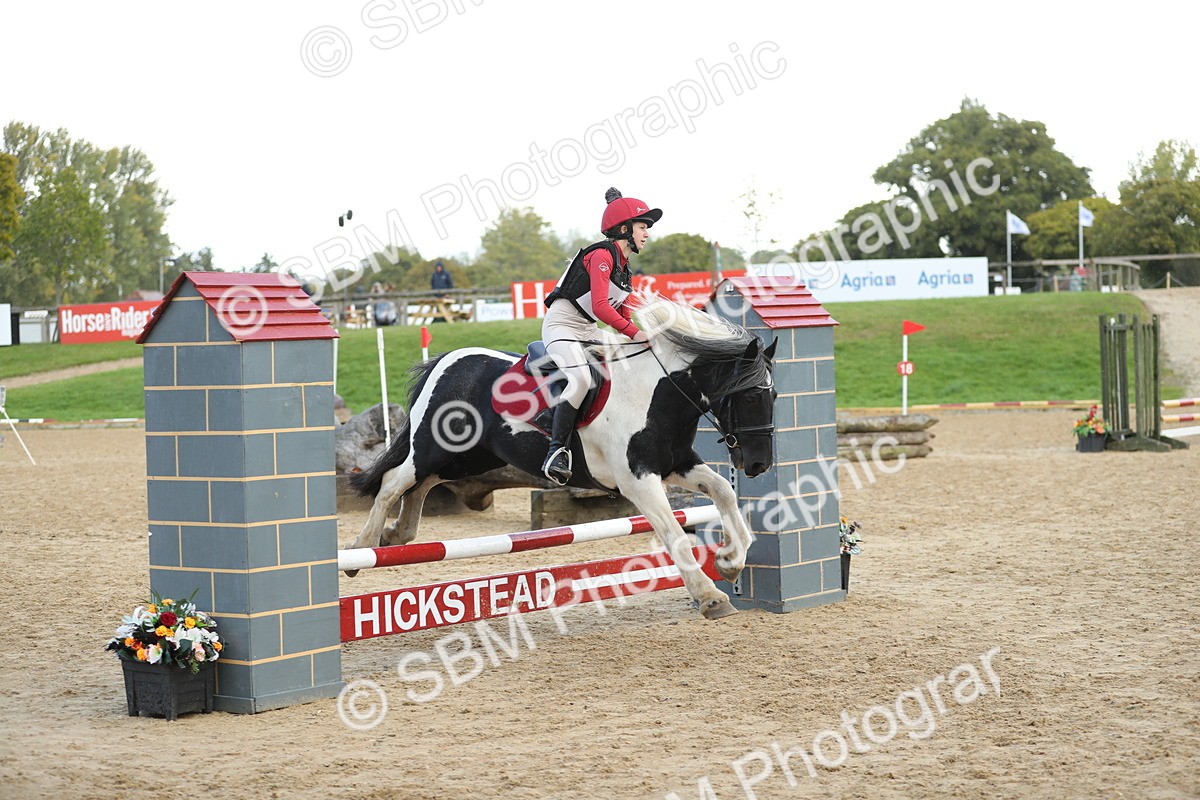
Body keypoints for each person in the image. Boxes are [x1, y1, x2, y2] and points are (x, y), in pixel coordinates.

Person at [539, 187, 661, 484]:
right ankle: (556, 451)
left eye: (647, 228)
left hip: (589, 331)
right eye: (643, 226)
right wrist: (633, 333)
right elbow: (601, 306)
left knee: (632, 363)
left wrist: (640, 336)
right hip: (562, 328)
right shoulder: (601, 255)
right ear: (624, 229)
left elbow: (621, 312)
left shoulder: (625, 268)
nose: (647, 233)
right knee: (580, 378)